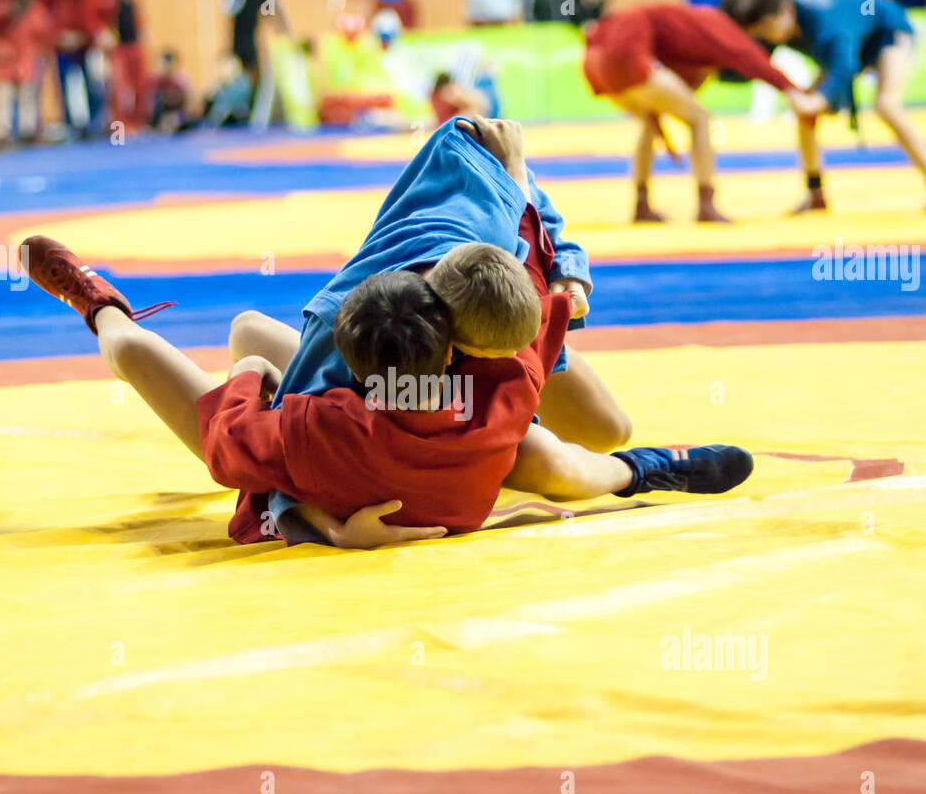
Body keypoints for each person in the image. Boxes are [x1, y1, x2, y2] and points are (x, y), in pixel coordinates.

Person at [226, 116, 752, 545]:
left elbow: (533, 217)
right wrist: (326, 529)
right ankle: (642, 470)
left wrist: (568, 269)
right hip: (392, 359)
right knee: (249, 333)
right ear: (457, 342)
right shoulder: (343, 341)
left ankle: (619, 456)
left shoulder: (495, 255)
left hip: (489, 282)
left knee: (608, 430)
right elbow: (281, 456)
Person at [721, 0, 926, 212]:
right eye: (758, 33)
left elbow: (844, 68)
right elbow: (752, 65)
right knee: (806, 111)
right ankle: (815, 194)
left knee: (886, 104)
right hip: (853, 36)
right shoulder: (779, 18)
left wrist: (818, 100)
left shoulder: (825, 21)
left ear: (785, 10)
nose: (765, 36)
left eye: (765, 28)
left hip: (887, 29)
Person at [581, 3, 826, 222]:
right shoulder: (720, 27)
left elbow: (662, 89)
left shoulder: (688, 26)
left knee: (649, 122)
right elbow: (753, 59)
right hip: (626, 53)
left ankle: (641, 204)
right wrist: (794, 92)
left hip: (595, 61)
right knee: (700, 118)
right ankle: (706, 205)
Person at [0, 0, 52, 146]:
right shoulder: (1, 13)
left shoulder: (36, 13)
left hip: (27, 61)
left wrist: (39, 57)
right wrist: (0, 49)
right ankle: (2, 133)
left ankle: (27, 130)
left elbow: (43, 36)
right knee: (3, 96)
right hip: (5, 62)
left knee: (28, 96)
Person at [44, 0, 102, 138]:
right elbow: (47, 16)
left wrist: (83, 36)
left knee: (92, 84)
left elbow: (90, 14)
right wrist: (57, 37)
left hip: (84, 45)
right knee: (63, 84)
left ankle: (93, 123)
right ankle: (69, 125)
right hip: (61, 46)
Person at [89, 0, 148, 134]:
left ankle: (139, 122)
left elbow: (137, 10)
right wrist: (101, 32)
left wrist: (143, 28)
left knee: (140, 85)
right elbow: (92, 16)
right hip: (116, 47)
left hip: (133, 43)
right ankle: (119, 126)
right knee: (119, 87)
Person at [148, 50, 194, 132]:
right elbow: (150, 107)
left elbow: (191, 106)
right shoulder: (155, 82)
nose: (165, 68)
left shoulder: (182, 81)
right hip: (160, 121)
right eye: (161, 64)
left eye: (167, 64)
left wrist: (179, 118)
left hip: (179, 119)